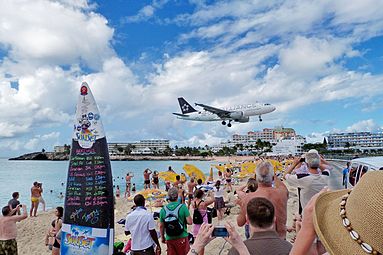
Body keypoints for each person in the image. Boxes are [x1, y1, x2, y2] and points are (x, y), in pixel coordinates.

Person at [237, 161, 288, 239]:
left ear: (255, 177)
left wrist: (241, 206)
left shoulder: (248, 197)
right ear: (272, 177)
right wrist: (273, 176)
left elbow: (240, 222)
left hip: (257, 240)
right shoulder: (283, 193)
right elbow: (281, 185)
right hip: (280, 238)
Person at [160, 187, 192, 255]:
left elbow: (161, 226)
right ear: (177, 196)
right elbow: (190, 222)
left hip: (169, 237)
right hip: (182, 236)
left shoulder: (163, 209)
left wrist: (162, 237)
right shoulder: (182, 207)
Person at [191, 190, 214, 255]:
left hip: (196, 223)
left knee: (196, 243)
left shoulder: (193, 202)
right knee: (202, 244)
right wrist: (210, 193)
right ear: (202, 195)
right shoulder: (204, 203)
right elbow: (213, 199)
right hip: (203, 223)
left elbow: (193, 199)